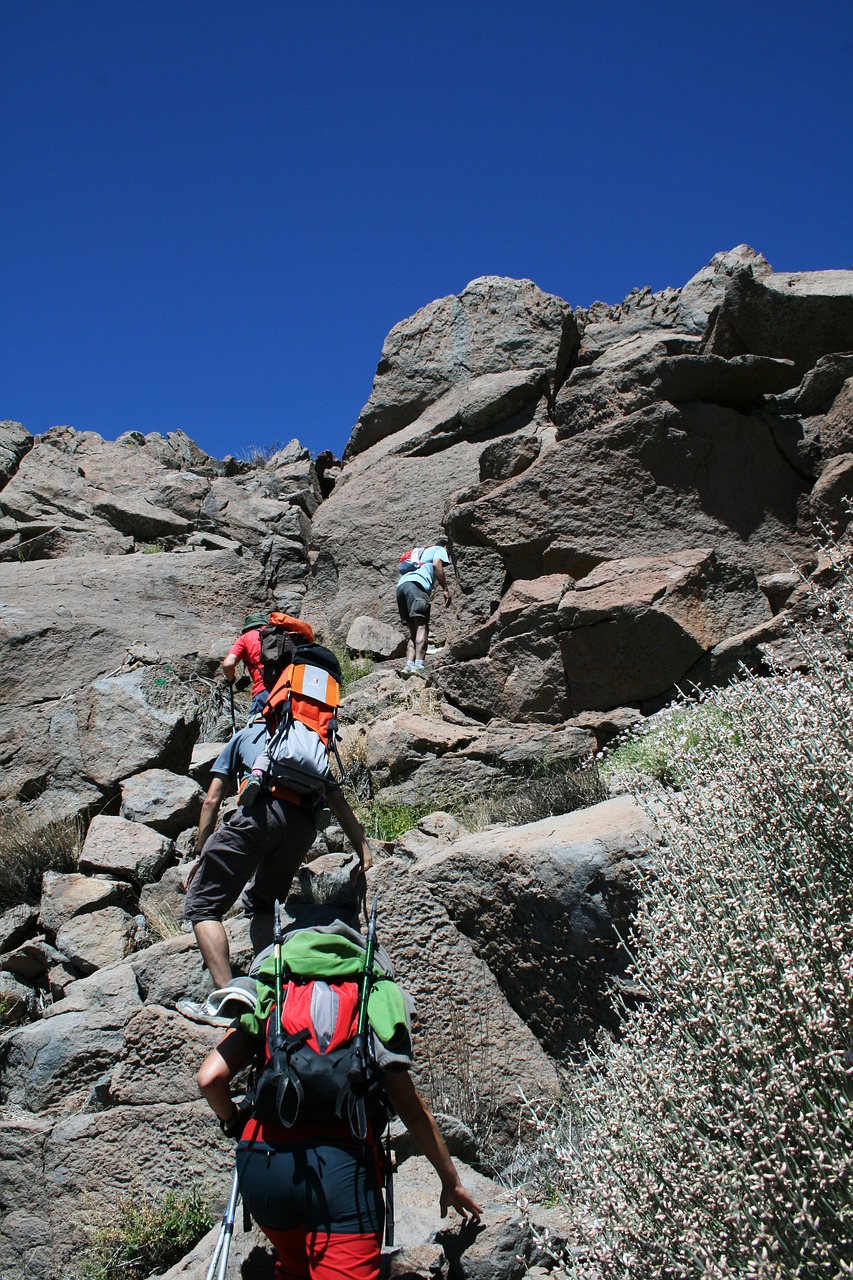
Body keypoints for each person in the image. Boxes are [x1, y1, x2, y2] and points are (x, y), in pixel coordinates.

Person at [196, 861, 483, 1279]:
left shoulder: (272, 982)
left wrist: (235, 1123)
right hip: (343, 1168)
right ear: (355, 920)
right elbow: (408, 1103)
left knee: (293, 1269)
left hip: (265, 1165)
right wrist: (450, 1179)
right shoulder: (373, 988)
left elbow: (211, 1078)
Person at [178, 719, 372, 1023]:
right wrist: (364, 850)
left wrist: (202, 852)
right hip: (300, 828)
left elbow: (212, 800)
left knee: (203, 905)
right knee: (264, 904)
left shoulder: (246, 734)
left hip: (258, 815)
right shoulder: (309, 741)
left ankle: (229, 1004)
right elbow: (338, 802)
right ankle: (268, 989)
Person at [396, 540, 452, 677]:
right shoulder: (439, 549)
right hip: (417, 587)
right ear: (445, 546)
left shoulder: (422, 552)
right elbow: (437, 565)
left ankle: (408, 666)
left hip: (401, 587)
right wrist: (445, 589)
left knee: (413, 631)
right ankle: (419, 666)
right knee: (422, 627)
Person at [222, 612, 270, 716]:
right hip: (292, 688)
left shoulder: (245, 638)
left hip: (264, 690)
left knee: (256, 729)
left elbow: (228, 664)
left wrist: (231, 679)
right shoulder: (280, 634)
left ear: (247, 628)